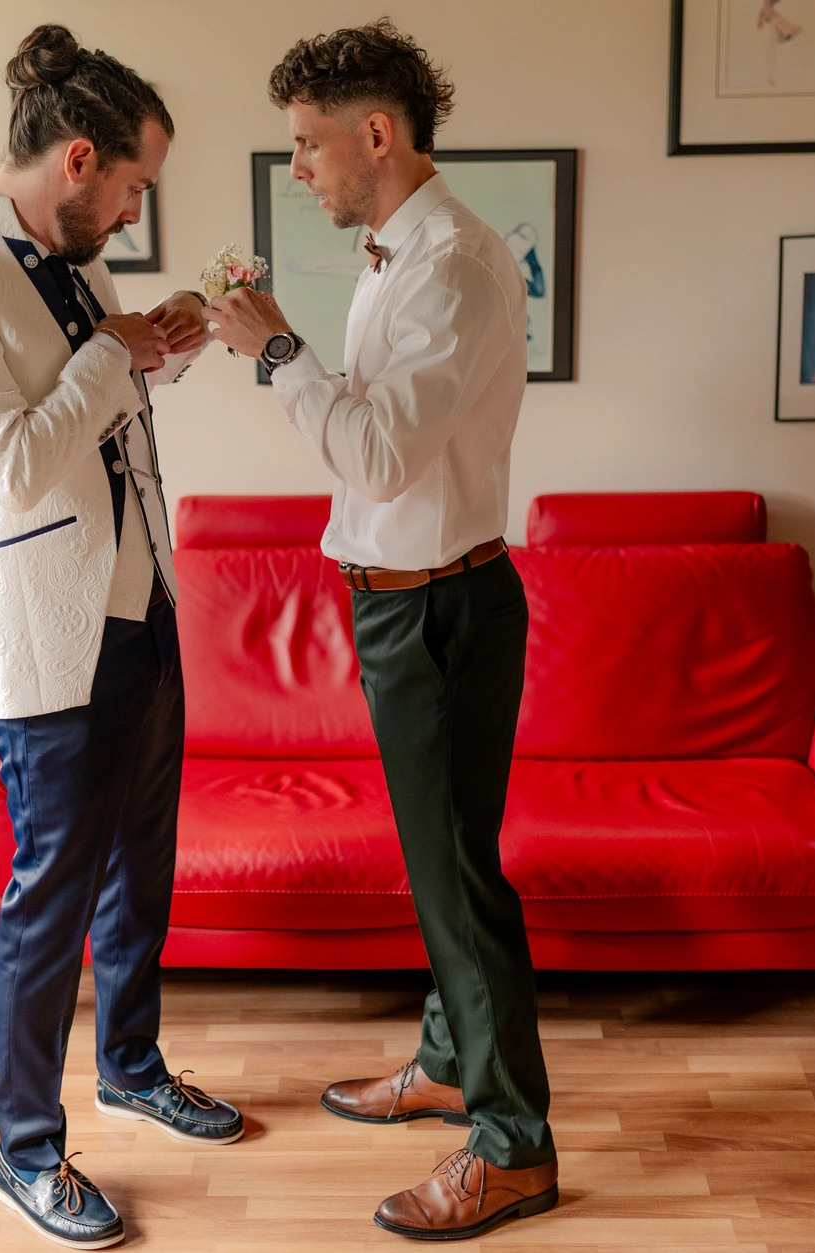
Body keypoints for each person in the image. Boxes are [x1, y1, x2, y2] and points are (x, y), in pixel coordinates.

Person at [0, 24, 241, 1251]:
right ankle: (22, 1149)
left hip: (144, 615)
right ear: (78, 159)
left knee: (146, 871)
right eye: (133, 186)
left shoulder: (63, 262)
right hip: (47, 640)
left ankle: (130, 1066)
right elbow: (13, 462)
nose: (133, 212)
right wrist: (112, 347)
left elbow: (86, 409)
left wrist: (159, 351)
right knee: (52, 899)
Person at [209, 19, 556, 1243]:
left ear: (375, 134)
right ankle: (451, 1058)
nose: (296, 166)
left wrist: (273, 350)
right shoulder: (392, 254)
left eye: (306, 144)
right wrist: (282, 337)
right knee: (439, 861)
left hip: (437, 609)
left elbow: (374, 446)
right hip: (405, 598)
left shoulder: (451, 263)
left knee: (461, 876)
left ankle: (512, 1145)